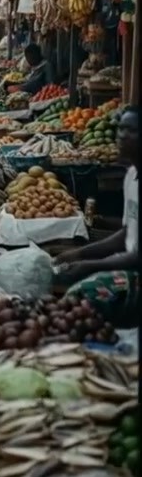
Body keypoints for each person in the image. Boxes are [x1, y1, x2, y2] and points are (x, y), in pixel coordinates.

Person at [55, 106, 138, 323]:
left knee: (81, 296)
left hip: (136, 271)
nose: (121, 135)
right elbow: (126, 234)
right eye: (120, 129)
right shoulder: (132, 175)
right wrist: (79, 254)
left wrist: (92, 265)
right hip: (128, 263)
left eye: (131, 130)